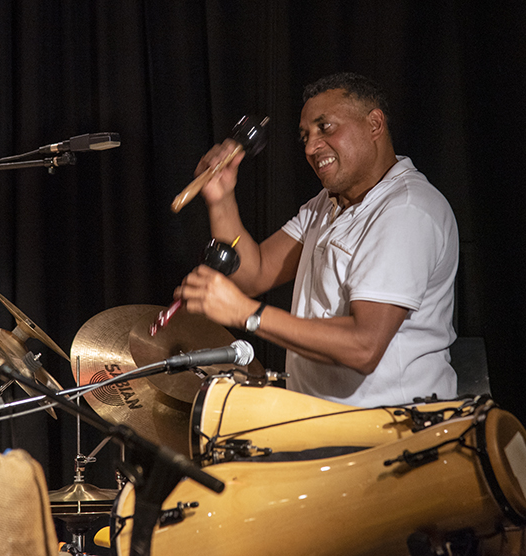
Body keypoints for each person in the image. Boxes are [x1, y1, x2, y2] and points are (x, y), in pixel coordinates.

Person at [173, 72, 459, 407]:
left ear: (375, 124)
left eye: (326, 128)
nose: (310, 147)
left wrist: (248, 314)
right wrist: (220, 198)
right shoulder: (327, 204)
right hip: (323, 422)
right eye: (305, 136)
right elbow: (256, 273)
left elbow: (364, 347)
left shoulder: (406, 210)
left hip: (392, 434)